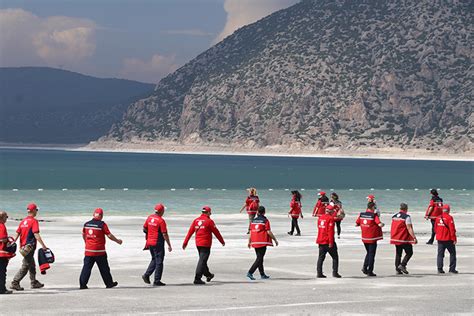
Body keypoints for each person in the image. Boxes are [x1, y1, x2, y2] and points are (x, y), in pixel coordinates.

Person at [79, 208, 123, 289]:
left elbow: (83, 234)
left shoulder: (86, 224)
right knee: (104, 268)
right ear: (101, 216)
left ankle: (82, 284)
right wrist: (117, 241)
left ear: (93, 214)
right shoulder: (102, 225)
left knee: (86, 268)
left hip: (88, 251)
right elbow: (109, 235)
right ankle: (109, 283)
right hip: (99, 251)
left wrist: (86, 243)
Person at [183, 206, 225, 285]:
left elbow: (190, 232)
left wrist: (185, 242)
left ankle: (208, 275)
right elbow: (216, 232)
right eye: (210, 212)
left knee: (203, 260)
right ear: (208, 212)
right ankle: (197, 278)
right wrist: (222, 241)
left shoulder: (196, 220)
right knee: (202, 261)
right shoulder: (209, 221)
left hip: (198, 244)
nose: (211, 214)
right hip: (206, 244)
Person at [11, 203, 47, 291]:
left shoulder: (23, 221)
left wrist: (13, 242)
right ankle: (15, 282)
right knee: (26, 265)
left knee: (31, 265)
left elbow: (17, 233)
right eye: (36, 210)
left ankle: (34, 282)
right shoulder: (34, 221)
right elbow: (36, 234)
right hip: (29, 247)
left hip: (23, 247)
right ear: (33, 210)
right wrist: (43, 246)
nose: (37, 212)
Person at [142, 203, 172, 286]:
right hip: (157, 243)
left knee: (154, 259)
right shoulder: (161, 221)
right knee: (159, 261)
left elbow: (144, 228)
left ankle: (146, 275)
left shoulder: (149, 217)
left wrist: (149, 235)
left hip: (150, 242)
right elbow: (164, 234)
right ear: (161, 211)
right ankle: (157, 280)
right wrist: (169, 244)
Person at [247, 206, 278, 280]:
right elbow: (268, 231)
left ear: (257, 212)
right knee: (259, 258)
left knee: (259, 258)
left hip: (255, 241)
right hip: (262, 241)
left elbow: (251, 232)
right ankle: (250, 272)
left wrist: (249, 242)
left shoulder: (253, 221)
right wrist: (275, 239)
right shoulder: (265, 220)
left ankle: (262, 274)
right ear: (264, 212)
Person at [355, 202, 384, 277]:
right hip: (372, 238)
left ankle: (364, 268)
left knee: (368, 253)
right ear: (373, 207)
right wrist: (382, 224)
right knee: (371, 254)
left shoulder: (361, 214)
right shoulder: (374, 215)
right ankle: (370, 271)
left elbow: (357, 223)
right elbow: (379, 223)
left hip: (364, 237)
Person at [390, 203, 417, 274]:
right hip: (403, 238)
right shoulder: (406, 217)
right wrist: (414, 237)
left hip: (395, 237)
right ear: (406, 209)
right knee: (409, 252)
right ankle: (402, 265)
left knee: (398, 253)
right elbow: (409, 228)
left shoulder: (394, 216)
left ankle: (397, 269)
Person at [316, 204, 341, 278]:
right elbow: (330, 231)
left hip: (320, 240)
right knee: (335, 257)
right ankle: (335, 272)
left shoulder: (320, 218)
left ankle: (319, 273)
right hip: (327, 241)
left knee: (321, 258)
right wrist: (331, 242)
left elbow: (319, 228)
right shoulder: (330, 219)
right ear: (331, 211)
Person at [435, 204, 458, 274]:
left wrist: (438, 235)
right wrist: (454, 239)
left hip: (440, 239)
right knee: (452, 253)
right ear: (449, 210)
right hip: (448, 239)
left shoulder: (438, 217)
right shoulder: (449, 218)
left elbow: (435, 228)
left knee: (440, 255)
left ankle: (439, 269)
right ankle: (452, 269)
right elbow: (452, 229)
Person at [0, 211, 15, 295]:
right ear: (2, 218)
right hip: (2, 253)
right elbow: (3, 239)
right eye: (6, 217)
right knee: (2, 272)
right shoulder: (2, 226)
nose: (7, 218)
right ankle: (2, 289)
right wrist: (8, 240)